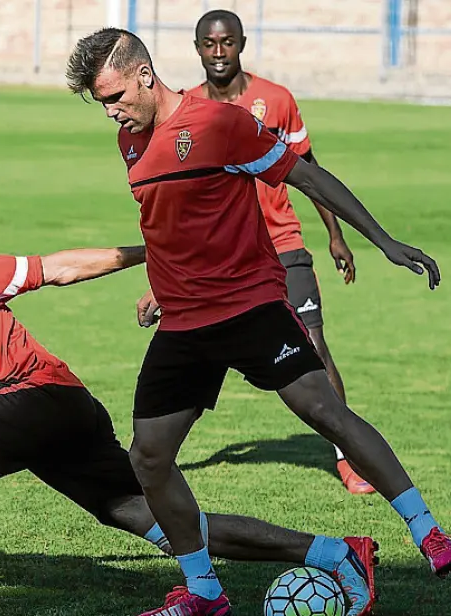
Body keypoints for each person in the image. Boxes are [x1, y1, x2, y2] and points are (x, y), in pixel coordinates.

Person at [66, 28, 451, 616]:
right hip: (185, 323)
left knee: (323, 410)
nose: (111, 111)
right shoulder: (129, 141)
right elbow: (169, 223)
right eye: (101, 103)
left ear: (145, 75)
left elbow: (309, 177)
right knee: (149, 459)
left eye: (116, 96)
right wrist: (159, 284)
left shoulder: (220, 125)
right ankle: (204, 589)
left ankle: (427, 530)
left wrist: (382, 241)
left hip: (250, 305)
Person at [0, 220, 376, 616]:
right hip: (35, 432)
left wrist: (149, 254)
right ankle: (335, 552)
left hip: (48, 397)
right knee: (165, 524)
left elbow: (60, 268)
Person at [140, 9, 371, 493]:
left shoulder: (277, 100)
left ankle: (348, 458)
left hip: (283, 246)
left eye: (227, 42)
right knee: (196, 362)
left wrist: (335, 235)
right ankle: (155, 462)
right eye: (209, 44)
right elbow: (173, 212)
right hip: (221, 265)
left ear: (242, 43)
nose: (218, 52)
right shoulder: (184, 110)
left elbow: (308, 169)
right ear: (197, 48)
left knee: (314, 347)